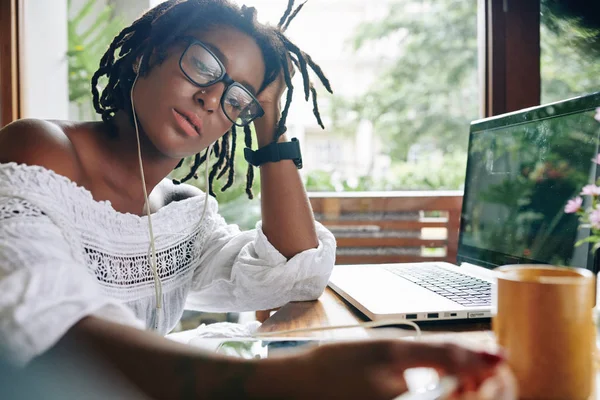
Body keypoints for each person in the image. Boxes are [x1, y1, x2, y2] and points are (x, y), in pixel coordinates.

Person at [0, 0, 507, 398]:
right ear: (144, 54)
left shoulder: (184, 213)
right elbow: (40, 317)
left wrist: (271, 123)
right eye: (202, 64)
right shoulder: (41, 150)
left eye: (237, 98)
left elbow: (293, 273)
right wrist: (285, 381)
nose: (211, 98)